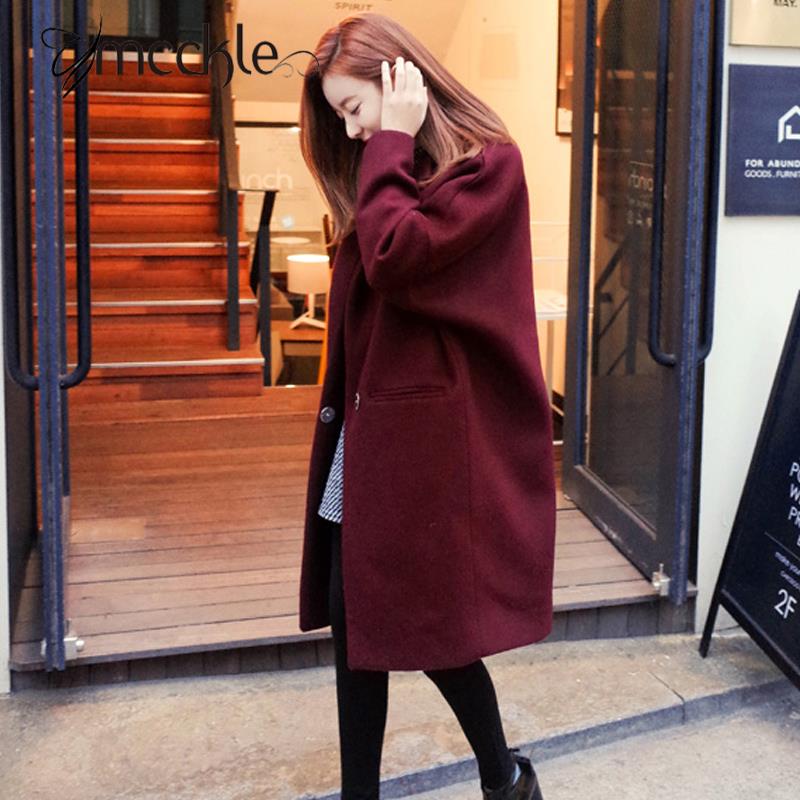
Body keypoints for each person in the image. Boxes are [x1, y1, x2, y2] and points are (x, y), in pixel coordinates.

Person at [296, 12, 556, 800]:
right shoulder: (389, 169)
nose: (352, 130)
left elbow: (397, 255)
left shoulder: (488, 168)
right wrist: (385, 146)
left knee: (431, 630)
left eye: (354, 108)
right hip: (368, 432)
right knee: (355, 618)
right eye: (343, 117)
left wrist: (388, 142)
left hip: (434, 447)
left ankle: (503, 776)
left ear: (400, 79)